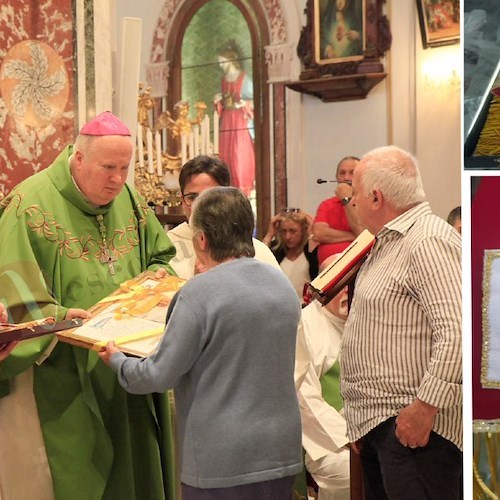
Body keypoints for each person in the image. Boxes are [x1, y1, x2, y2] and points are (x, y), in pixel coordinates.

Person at [0, 111, 177, 500]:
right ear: (78, 159)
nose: (117, 179)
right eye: (108, 167)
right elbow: (11, 295)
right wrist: (60, 317)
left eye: (125, 168)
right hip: (66, 369)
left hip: (132, 357)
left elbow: (162, 258)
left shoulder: (128, 198)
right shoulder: (26, 206)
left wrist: (152, 285)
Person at [100, 186, 303, 499]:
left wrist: (118, 361)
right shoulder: (281, 284)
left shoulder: (199, 292)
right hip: (281, 450)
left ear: (202, 240)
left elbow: (159, 375)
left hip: (222, 458)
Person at [342, 145, 462, 498]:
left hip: (417, 432)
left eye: (355, 195)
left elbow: (457, 334)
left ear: (376, 198)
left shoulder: (428, 240)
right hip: (386, 426)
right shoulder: (391, 241)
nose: (352, 204)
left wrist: (424, 409)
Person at [168, 154, 280, 279]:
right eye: (193, 197)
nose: (200, 205)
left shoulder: (257, 250)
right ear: (182, 200)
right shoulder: (166, 246)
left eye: (210, 196)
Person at [295, 255, 350, 500]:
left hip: (369, 429)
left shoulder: (368, 321)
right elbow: (304, 400)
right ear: (323, 285)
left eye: (353, 282)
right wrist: (349, 437)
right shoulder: (305, 326)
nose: (348, 291)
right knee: (348, 471)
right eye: (341, 283)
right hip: (326, 439)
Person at [214, 42, 255, 196]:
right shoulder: (224, 79)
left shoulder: (244, 79)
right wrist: (218, 100)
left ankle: (242, 188)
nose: (221, 65)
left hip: (239, 120)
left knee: (239, 153)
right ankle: (227, 187)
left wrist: (244, 104)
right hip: (227, 120)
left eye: (223, 62)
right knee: (226, 154)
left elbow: (254, 101)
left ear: (230, 61)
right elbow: (223, 100)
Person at [312, 156, 363, 264]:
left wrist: (346, 199)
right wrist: (353, 236)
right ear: (336, 177)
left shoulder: (367, 203)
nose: (346, 178)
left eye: (352, 173)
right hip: (327, 271)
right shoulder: (327, 204)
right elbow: (318, 233)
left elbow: (361, 231)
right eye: (342, 173)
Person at [262, 208, 319, 302]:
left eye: (293, 231)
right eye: (284, 231)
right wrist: (269, 234)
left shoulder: (311, 251)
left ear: (303, 230)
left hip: (307, 307)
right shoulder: (276, 250)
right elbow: (259, 261)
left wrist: (311, 232)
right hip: (280, 305)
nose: (288, 236)